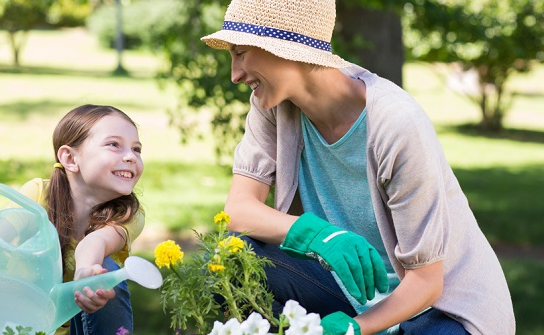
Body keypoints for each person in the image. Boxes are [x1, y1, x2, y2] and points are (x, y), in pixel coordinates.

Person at [200, 0, 515, 334]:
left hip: (436, 308)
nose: (235, 75)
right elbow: (238, 210)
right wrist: (317, 235)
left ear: (284, 47)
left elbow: (426, 281)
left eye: (240, 53)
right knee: (232, 259)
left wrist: (353, 329)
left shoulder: (395, 122)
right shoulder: (272, 107)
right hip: (347, 292)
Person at [0, 104, 145, 335]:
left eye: (137, 149)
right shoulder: (36, 197)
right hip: (4, 321)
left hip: (68, 329)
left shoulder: (128, 213)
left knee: (106, 271)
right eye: (114, 145)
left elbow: (95, 243)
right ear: (70, 158)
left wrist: (87, 275)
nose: (130, 157)